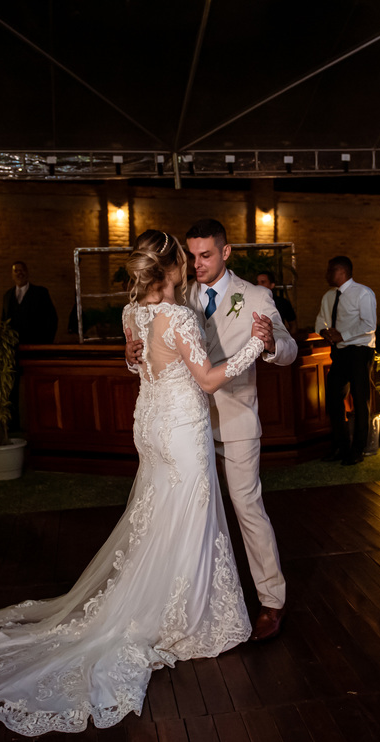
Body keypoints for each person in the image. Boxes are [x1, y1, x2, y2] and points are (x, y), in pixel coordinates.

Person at [0, 231, 271, 735]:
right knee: (187, 514)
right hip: (181, 427)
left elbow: (136, 361)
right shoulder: (178, 317)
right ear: (171, 267)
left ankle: (166, 604)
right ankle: (183, 618)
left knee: (161, 514)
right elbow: (206, 379)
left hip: (150, 425)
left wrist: (136, 357)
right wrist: (256, 346)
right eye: (183, 259)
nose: (188, 265)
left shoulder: (132, 313)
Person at [126, 219, 297, 641]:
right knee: (186, 515)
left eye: (206, 255)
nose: (197, 263)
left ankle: (272, 600)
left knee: (246, 507)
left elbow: (289, 348)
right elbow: (155, 354)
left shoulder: (255, 296)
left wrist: (269, 345)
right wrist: (131, 356)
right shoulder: (176, 291)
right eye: (192, 255)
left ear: (226, 252)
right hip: (185, 426)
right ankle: (187, 603)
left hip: (235, 420)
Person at [316, 256, 377, 467]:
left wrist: (343, 335)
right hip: (339, 352)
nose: (326, 275)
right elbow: (320, 319)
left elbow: (369, 324)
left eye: (330, 271)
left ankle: (358, 450)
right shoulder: (328, 296)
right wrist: (324, 331)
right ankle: (340, 446)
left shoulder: (363, 293)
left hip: (360, 351)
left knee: (360, 400)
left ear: (341, 271)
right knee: (333, 398)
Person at [2, 260, 58, 431]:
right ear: (12, 275)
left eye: (22, 270)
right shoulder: (8, 296)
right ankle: (14, 426)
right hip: (13, 351)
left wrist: (44, 346)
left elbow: (52, 320)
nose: (19, 273)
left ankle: (40, 423)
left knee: (36, 387)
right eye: (16, 271)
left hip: (35, 350)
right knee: (12, 389)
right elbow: (4, 323)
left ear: (27, 272)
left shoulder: (40, 293)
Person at [256, 270, 297, 335]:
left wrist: (287, 339)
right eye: (257, 282)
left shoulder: (282, 303)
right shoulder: (252, 301)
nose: (259, 285)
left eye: (263, 282)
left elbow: (293, 324)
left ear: (272, 285)